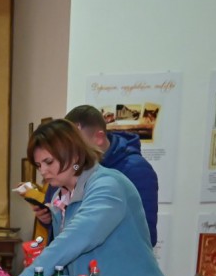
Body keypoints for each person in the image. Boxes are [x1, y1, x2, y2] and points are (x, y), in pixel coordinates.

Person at [14, 120, 175, 276]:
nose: (43, 171)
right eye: (39, 164)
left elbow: (75, 239)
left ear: (74, 155)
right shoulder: (62, 195)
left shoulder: (107, 185)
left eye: (48, 162)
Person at [23, 105, 159, 247]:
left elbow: (145, 234)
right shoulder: (66, 170)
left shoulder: (135, 170)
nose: (71, 149)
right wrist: (49, 219)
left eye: (77, 142)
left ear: (99, 137)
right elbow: (60, 230)